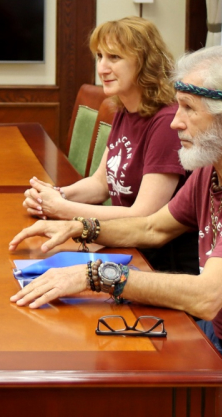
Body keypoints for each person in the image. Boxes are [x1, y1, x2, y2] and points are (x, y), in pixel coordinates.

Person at [10, 46, 222, 417]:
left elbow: (207, 297)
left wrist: (96, 275)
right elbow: (154, 227)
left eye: (188, 108)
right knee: (112, 372)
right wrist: (82, 227)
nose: (175, 122)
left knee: (146, 406)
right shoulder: (216, 166)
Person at [24, 17, 196, 273]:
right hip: (125, 245)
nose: (102, 68)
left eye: (114, 57)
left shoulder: (166, 122)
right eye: (100, 56)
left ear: (145, 62)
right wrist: (53, 196)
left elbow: (144, 215)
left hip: (158, 263)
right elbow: (100, 184)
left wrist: (63, 209)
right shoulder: (125, 109)